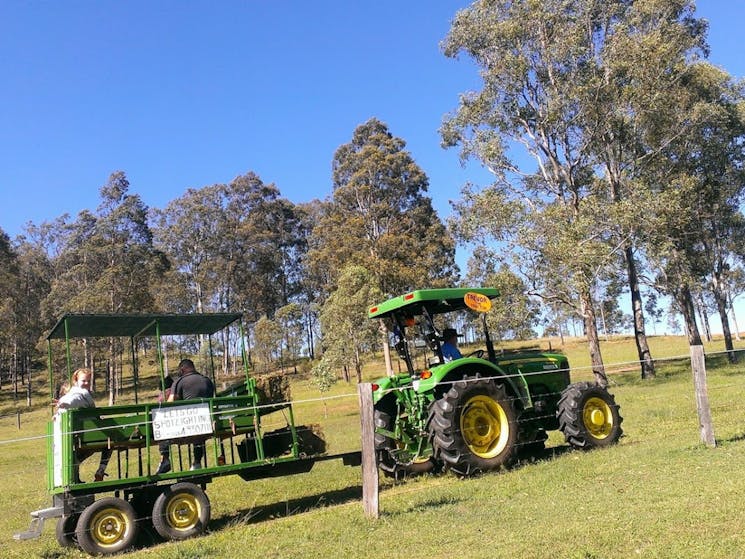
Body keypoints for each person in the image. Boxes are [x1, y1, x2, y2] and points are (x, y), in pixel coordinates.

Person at [155, 358, 215, 473]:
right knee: (199, 427)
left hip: (185, 427)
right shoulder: (207, 380)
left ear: (182, 369)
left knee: (161, 420)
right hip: (204, 424)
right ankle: (197, 462)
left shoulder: (179, 382)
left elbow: (170, 404)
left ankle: (165, 458)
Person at [55, 368, 112, 483]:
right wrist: (64, 404)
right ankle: (101, 470)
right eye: (83, 381)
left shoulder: (76, 393)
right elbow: (75, 400)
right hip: (85, 434)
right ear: (76, 380)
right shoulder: (80, 393)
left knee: (77, 457)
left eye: (88, 381)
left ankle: (75, 476)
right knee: (111, 442)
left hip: (80, 434)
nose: (86, 383)